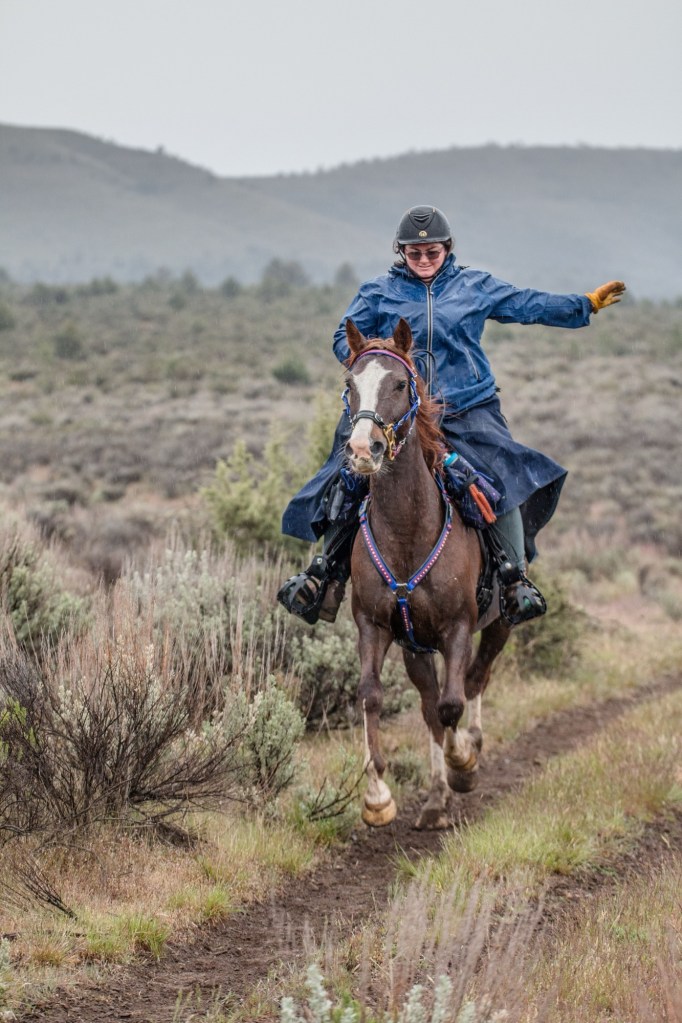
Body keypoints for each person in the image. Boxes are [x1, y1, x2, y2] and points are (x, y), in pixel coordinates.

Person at [277, 205, 625, 625]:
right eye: (414, 253)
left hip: (466, 406)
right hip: (395, 409)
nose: (424, 259)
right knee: (347, 474)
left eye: (432, 252)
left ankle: (513, 580)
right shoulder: (377, 292)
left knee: (502, 475)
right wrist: (372, 359)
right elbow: (343, 337)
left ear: (447, 248)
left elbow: (526, 304)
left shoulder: (474, 286)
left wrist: (584, 305)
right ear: (401, 252)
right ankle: (324, 575)